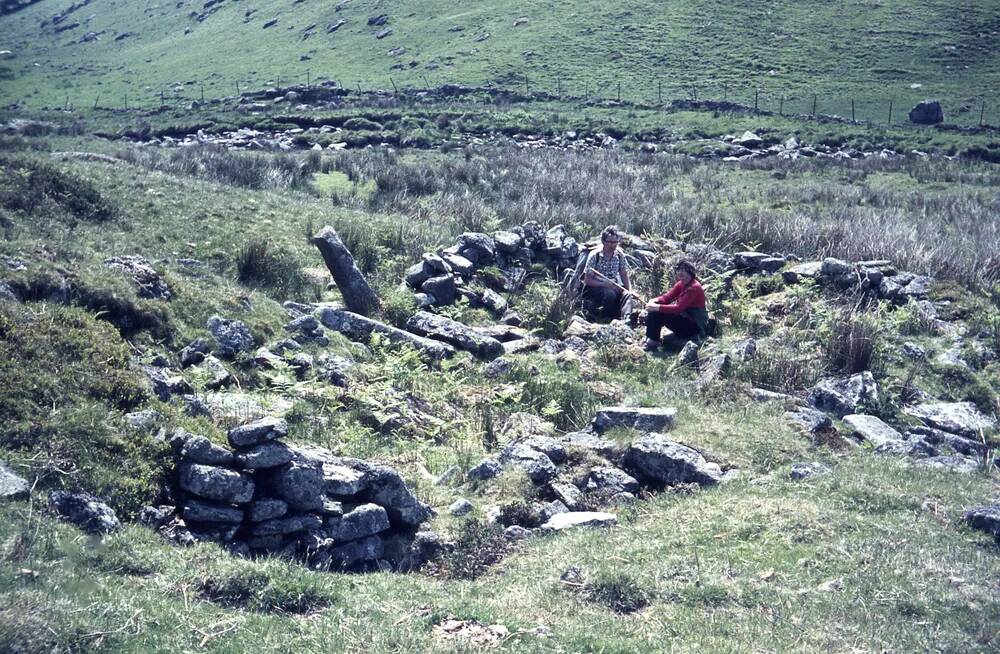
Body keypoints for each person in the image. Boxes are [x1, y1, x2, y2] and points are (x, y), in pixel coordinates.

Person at [644, 260, 709, 351]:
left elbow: (678, 308)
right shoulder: (681, 284)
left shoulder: (694, 287)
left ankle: (653, 342)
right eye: (679, 270)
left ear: (690, 272)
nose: (680, 272)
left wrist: (656, 307)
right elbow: (667, 297)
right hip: (686, 321)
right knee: (655, 310)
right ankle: (651, 338)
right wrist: (655, 300)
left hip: (695, 327)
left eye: (684, 270)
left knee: (656, 312)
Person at [582, 225, 632, 321]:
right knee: (610, 294)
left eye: (615, 242)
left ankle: (627, 319)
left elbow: (624, 275)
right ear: (603, 242)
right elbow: (587, 280)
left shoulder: (620, 255)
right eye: (610, 242)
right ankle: (606, 319)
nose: (613, 245)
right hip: (595, 288)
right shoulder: (594, 256)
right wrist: (604, 284)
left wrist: (629, 289)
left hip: (613, 285)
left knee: (627, 295)